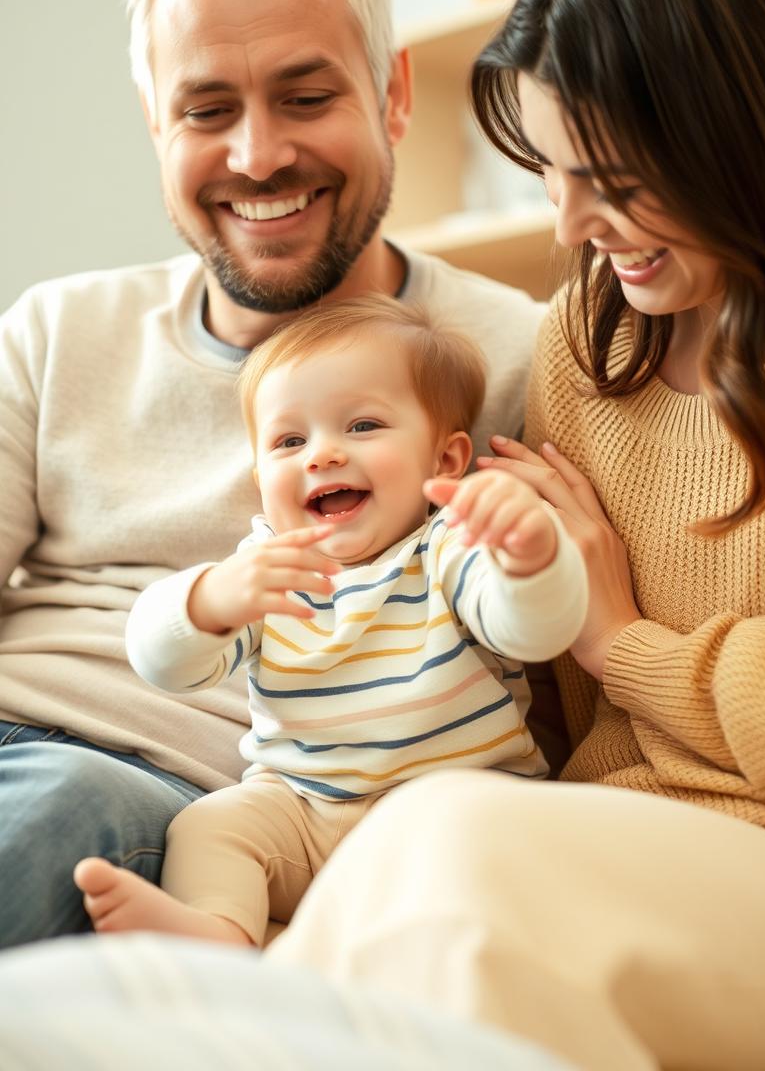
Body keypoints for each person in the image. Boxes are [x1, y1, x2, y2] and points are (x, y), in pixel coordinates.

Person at [256, 0, 765, 1070]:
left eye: (610, 177)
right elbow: (542, 700)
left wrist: (620, 639)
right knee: (404, 868)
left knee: (463, 860)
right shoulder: (590, 335)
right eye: (548, 174)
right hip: (605, 828)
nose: (569, 224)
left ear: (737, 130)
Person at [0, 0, 546, 948]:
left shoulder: (515, 354)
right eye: (206, 110)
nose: (257, 155)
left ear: (392, 94)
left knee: (46, 814)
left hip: (155, 791)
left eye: (304, 94)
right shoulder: (56, 330)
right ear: (156, 120)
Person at [73, 295, 587, 946]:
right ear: (259, 475)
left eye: (363, 426)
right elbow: (166, 666)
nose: (321, 455)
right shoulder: (266, 569)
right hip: (307, 820)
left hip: (451, 812)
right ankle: (221, 932)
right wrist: (204, 604)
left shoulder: (446, 550)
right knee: (210, 826)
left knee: (511, 852)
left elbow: (534, 632)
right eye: (290, 441)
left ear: (446, 460)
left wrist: (531, 559)